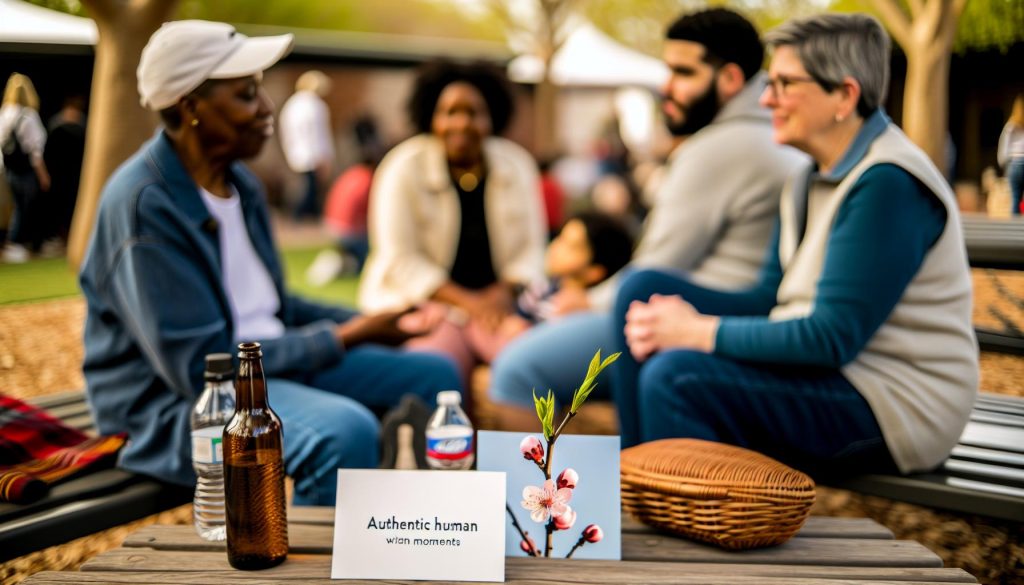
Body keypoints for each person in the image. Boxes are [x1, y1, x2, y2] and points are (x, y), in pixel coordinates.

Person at [80, 20, 462, 507]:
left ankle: (435, 530)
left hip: (265, 369)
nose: (266, 109)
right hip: (173, 405)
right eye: (246, 95)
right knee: (341, 433)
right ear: (190, 107)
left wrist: (377, 320)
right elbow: (201, 366)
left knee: (436, 377)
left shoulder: (240, 184)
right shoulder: (144, 207)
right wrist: (348, 336)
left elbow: (273, 306)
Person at [612, 13, 977, 477]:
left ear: (844, 96)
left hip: (895, 405)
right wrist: (668, 319)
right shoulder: (807, 178)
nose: (767, 99)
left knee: (678, 377)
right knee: (640, 292)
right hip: (834, 378)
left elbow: (830, 338)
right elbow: (770, 300)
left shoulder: (888, 183)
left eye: (785, 84)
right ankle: (636, 487)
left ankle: (681, 518)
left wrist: (697, 331)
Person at [487, 8, 806, 428]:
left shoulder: (715, 149)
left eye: (683, 73)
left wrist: (587, 300)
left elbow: (657, 268)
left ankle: (541, 496)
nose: (666, 86)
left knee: (516, 371)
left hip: (684, 317)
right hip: (721, 316)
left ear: (729, 79)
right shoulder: (775, 136)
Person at [358, 59, 547, 387]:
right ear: (432, 117)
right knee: (440, 369)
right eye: (449, 112)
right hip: (425, 305)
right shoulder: (402, 167)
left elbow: (533, 247)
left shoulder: (517, 165)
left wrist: (504, 291)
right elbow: (399, 258)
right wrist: (470, 304)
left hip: (497, 307)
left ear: (492, 119)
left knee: (529, 363)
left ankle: (526, 441)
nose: (461, 123)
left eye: (474, 112)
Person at [473, 211, 635, 365]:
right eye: (560, 237)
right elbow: (518, 317)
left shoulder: (581, 310)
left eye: (570, 247)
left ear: (594, 272)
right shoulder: (542, 287)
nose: (556, 247)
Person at [308, 116, 384, 285]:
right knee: (374, 254)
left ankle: (340, 261)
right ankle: (342, 264)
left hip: (331, 226)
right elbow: (372, 215)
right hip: (348, 232)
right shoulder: (368, 180)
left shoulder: (351, 174)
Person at [0, 73, 50, 263]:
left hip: (10, 170)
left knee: (18, 206)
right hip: (26, 170)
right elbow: (35, 150)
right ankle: (22, 243)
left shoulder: (4, 113)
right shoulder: (28, 115)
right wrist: (43, 175)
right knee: (28, 207)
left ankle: (17, 243)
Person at [279, 70, 334, 221]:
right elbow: (318, 135)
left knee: (304, 188)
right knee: (309, 191)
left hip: (296, 154)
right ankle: (300, 219)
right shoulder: (315, 106)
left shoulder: (292, 104)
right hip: (312, 155)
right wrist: (323, 157)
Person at [44, 94, 88, 244]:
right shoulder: (59, 124)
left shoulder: (81, 123)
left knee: (71, 204)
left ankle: (70, 235)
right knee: (61, 204)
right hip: (62, 173)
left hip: (71, 173)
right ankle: (60, 235)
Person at [998, 94, 1024, 216]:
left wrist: (1002, 163)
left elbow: (1004, 146)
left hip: (1015, 163)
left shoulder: (1011, 126)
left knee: (1015, 198)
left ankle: (1016, 228)